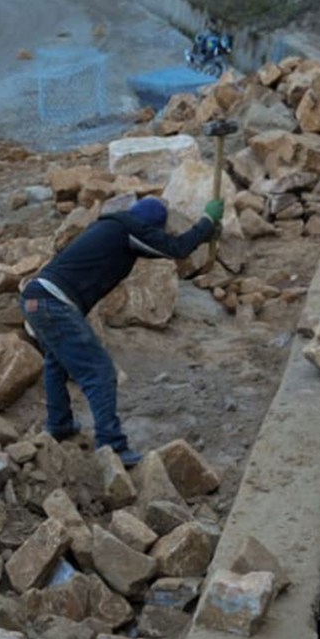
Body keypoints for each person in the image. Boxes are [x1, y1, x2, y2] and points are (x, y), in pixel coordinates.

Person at [22, 195, 223, 457]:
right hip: (54, 302)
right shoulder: (128, 229)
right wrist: (207, 222)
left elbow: (158, 247)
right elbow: (176, 248)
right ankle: (112, 445)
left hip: (34, 297)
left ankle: (59, 424)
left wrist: (204, 235)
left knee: (55, 363)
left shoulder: (109, 227)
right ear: (149, 225)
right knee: (100, 371)